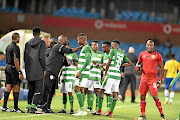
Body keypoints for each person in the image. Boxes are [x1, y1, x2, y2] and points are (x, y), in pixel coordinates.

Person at [42, 35, 83, 113]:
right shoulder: (58, 46)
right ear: (61, 40)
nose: (67, 40)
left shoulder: (62, 53)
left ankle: (48, 107)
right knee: (47, 90)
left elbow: (66, 63)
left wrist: (71, 61)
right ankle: (44, 107)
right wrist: (79, 48)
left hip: (55, 74)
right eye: (65, 39)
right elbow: (70, 51)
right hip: (50, 71)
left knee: (52, 91)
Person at [93, 40, 132, 117]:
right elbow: (130, 63)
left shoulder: (113, 51)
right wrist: (121, 65)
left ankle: (101, 110)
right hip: (117, 75)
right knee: (114, 93)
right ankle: (111, 112)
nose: (112, 46)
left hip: (110, 74)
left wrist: (105, 75)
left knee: (103, 91)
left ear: (117, 46)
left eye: (113, 45)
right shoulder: (122, 53)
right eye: (111, 45)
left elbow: (108, 63)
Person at [135, 40, 166, 120]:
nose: (149, 47)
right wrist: (137, 66)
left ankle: (162, 115)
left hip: (153, 79)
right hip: (144, 78)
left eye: (151, 45)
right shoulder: (142, 54)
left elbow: (161, 68)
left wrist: (160, 79)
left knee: (155, 96)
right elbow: (138, 62)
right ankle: (143, 115)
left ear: (153, 46)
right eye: (148, 45)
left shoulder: (157, 55)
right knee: (142, 96)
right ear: (146, 45)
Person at [24, 27, 46, 114]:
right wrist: (44, 68)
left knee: (31, 89)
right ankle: (33, 107)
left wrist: (27, 69)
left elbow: (25, 58)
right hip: (38, 69)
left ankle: (29, 106)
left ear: (33, 34)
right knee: (38, 90)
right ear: (39, 34)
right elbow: (41, 57)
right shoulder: (41, 43)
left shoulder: (27, 43)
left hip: (29, 69)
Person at [1, 33, 24, 113]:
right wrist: (19, 71)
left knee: (8, 86)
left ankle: (4, 106)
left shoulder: (8, 46)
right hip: (13, 68)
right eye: (19, 38)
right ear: (17, 38)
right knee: (16, 87)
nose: (19, 39)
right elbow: (16, 60)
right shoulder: (15, 47)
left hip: (7, 67)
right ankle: (16, 108)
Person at [72, 33, 92, 116]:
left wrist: (80, 71)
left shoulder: (87, 48)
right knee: (79, 89)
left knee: (77, 89)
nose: (77, 41)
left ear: (83, 40)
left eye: (78, 39)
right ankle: (82, 109)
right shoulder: (85, 48)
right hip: (83, 72)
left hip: (83, 73)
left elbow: (87, 61)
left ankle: (82, 109)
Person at [58, 43, 78, 114]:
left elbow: (76, 64)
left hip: (70, 76)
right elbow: (60, 66)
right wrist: (59, 75)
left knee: (69, 92)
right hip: (63, 76)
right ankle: (64, 108)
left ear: (69, 47)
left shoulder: (73, 54)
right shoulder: (61, 55)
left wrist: (70, 59)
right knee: (64, 93)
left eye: (67, 48)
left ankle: (72, 108)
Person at [86, 40, 103, 112]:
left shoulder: (102, 55)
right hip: (89, 75)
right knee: (88, 91)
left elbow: (104, 65)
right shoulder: (89, 54)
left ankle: (97, 108)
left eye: (95, 45)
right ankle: (89, 107)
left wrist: (99, 65)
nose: (94, 46)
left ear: (98, 46)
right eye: (92, 45)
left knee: (97, 92)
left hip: (97, 76)